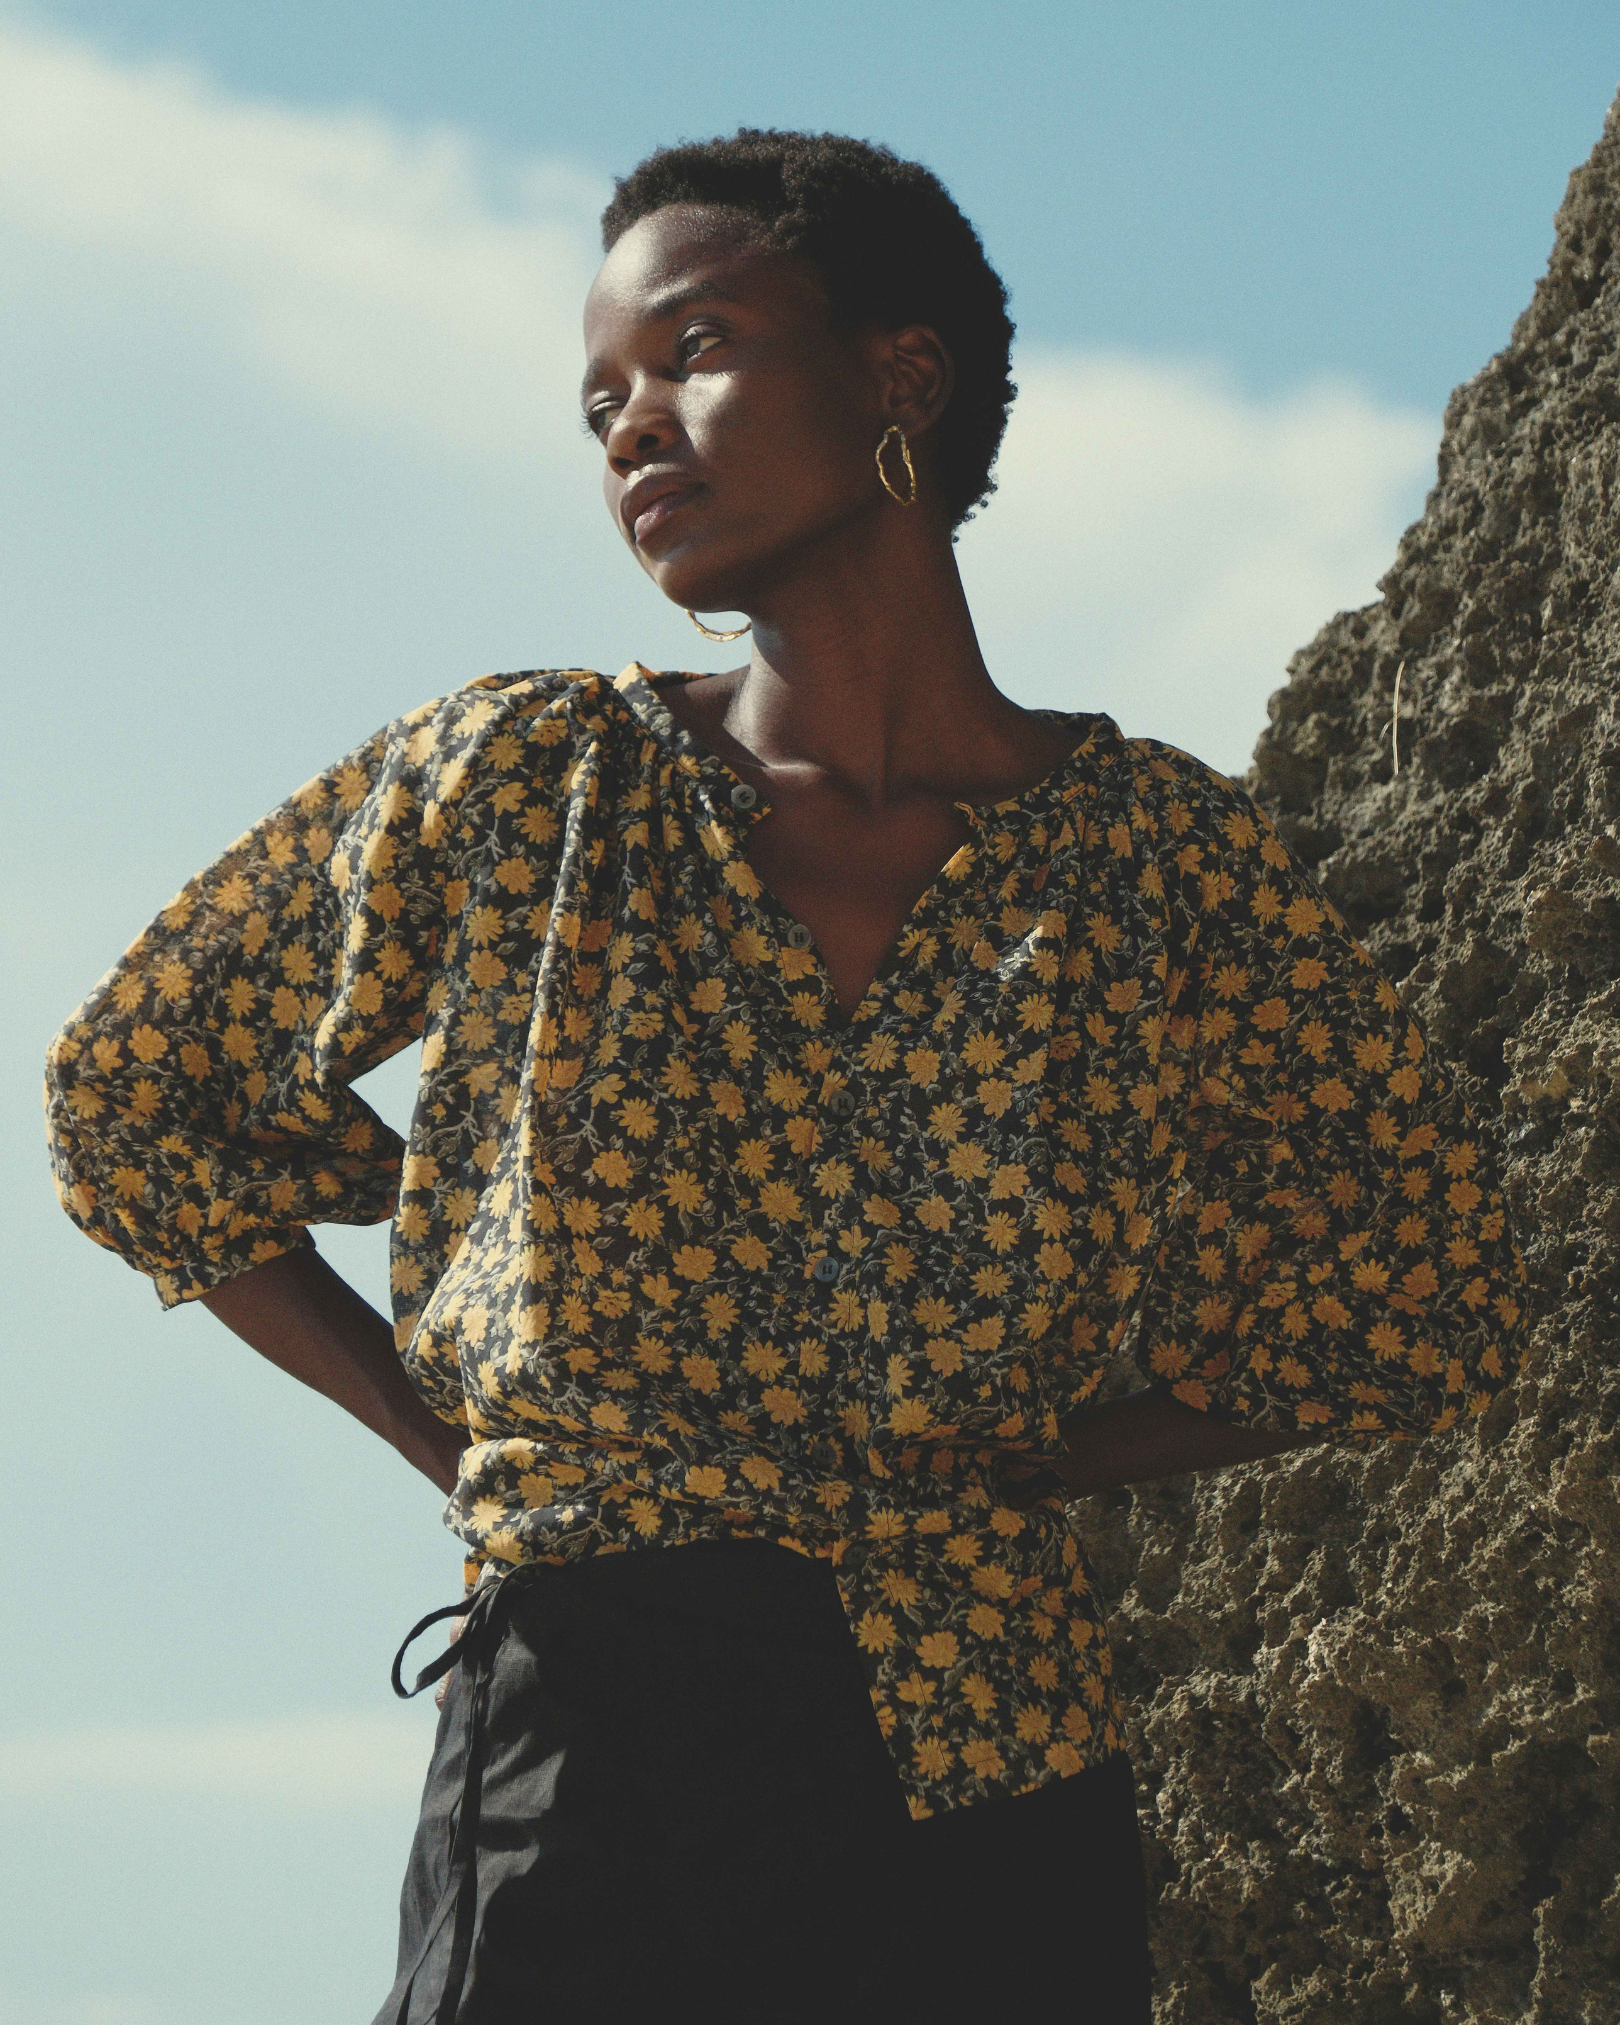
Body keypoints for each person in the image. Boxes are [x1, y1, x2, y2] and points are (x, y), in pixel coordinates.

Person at [44, 130, 1527, 2023]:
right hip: (582, 1757)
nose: (632, 429)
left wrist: (1028, 1468)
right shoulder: (527, 785)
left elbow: (1421, 1300)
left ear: (899, 375)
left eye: (696, 348)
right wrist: (471, 1466)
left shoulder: (1165, 862)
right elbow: (132, 1102)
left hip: (989, 1769)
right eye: (600, 403)